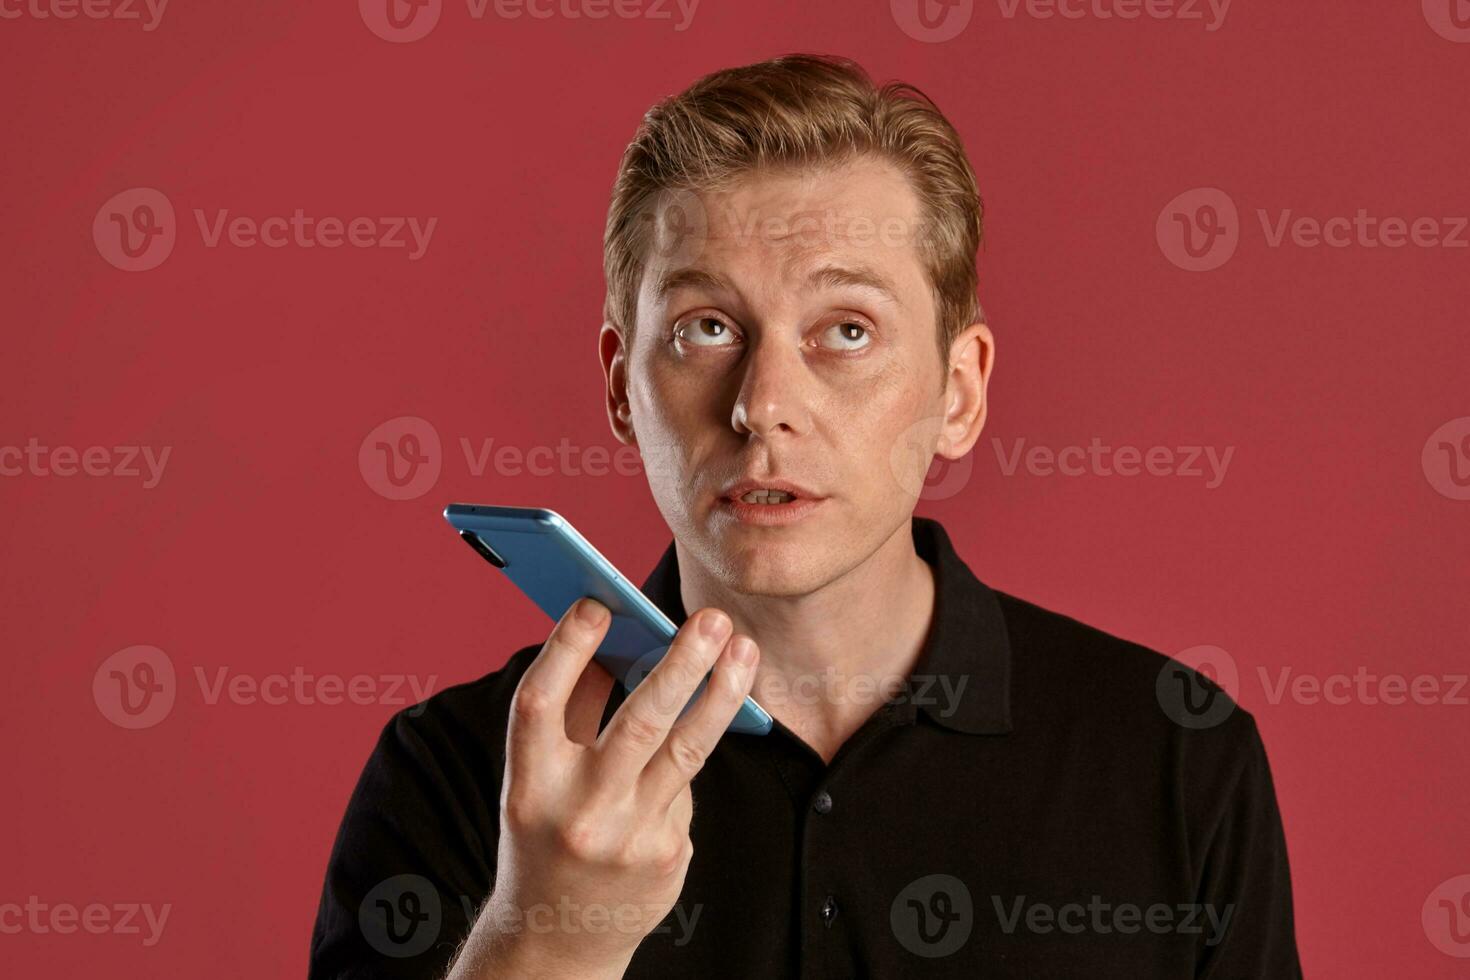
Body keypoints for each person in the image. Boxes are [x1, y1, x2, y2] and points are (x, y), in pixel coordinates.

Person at [309, 54, 1302, 978]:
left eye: (847, 329)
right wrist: (549, 938)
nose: (761, 401)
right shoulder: (449, 772)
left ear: (960, 391)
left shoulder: (1176, 757)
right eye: (707, 327)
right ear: (621, 387)